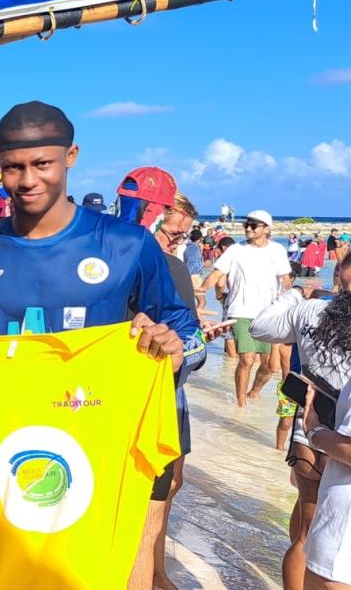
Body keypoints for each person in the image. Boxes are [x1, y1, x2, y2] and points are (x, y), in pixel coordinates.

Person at [0, 101, 198, 589]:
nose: (27, 180)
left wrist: (175, 347)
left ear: (71, 156)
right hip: (8, 450)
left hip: (96, 443)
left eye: (42, 164)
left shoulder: (126, 245)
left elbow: (187, 329)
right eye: (13, 167)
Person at [122, 182, 210, 590]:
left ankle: (157, 571)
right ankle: (150, 574)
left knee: (168, 487)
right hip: (153, 402)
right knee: (150, 505)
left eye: (183, 236)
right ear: (152, 217)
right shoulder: (168, 268)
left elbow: (190, 342)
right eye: (173, 233)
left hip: (122, 400)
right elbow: (195, 347)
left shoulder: (99, 259)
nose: (177, 242)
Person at [251, 253, 351, 590]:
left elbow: (260, 327)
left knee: (306, 533)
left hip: (308, 430)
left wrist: (294, 293)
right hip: (337, 438)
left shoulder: (312, 311)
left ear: (339, 273)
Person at [199, 210, 292, 407]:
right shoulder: (235, 250)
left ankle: (254, 392)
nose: (248, 228)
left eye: (253, 225)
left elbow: (285, 279)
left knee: (269, 365)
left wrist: (291, 303)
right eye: (246, 225)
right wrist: (202, 289)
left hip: (268, 314)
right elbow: (216, 273)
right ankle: (241, 405)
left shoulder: (277, 250)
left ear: (266, 229)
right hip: (240, 311)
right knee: (247, 359)